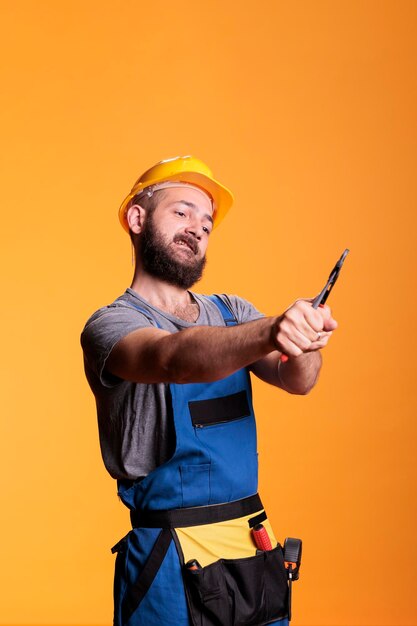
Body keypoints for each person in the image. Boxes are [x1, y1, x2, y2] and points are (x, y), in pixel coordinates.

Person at [81, 155, 337, 626]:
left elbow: (299, 379)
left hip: (251, 545)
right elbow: (173, 359)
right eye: (181, 212)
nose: (197, 228)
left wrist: (305, 336)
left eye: (207, 222)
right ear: (137, 219)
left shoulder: (232, 311)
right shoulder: (111, 325)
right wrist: (273, 329)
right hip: (169, 559)